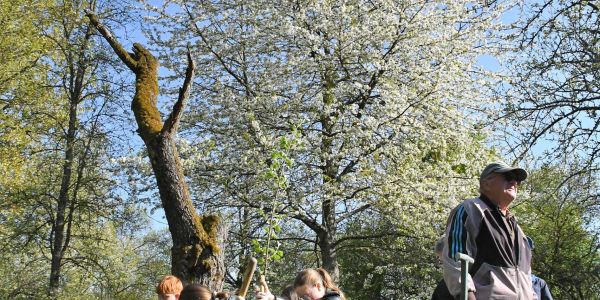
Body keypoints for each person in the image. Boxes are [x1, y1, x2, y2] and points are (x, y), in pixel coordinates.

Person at [442, 162, 537, 299]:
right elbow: (455, 259)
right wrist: (468, 295)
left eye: (516, 180)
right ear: (486, 184)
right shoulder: (470, 210)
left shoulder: (518, 230)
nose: (513, 182)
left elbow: (527, 276)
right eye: (507, 176)